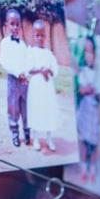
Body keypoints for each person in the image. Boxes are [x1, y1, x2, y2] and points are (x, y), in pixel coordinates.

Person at [26, 20, 61, 154]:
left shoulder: (48, 53)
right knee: (36, 111)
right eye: (37, 35)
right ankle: (36, 138)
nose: (40, 38)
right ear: (33, 35)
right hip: (36, 87)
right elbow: (29, 69)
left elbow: (55, 68)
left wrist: (50, 71)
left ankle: (49, 138)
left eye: (42, 35)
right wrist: (41, 70)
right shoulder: (31, 52)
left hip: (47, 88)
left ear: (45, 36)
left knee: (48, 112)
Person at [0, 8, 31, 149]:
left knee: (26, 108)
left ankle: (27, 131)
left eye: (17, 24)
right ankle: (15, 133)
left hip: (24, 81)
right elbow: (4, 62)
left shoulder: (22, 44)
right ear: (6, 25)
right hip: (13, 80)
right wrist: (17, 73)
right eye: (12, 24)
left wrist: (26, 73)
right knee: (13, 107)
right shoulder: (5, 43)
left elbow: (26, 60)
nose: (15, 27)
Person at [75, 35, 100, 181]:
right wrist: (87, 90)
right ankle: (84, 168)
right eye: (85, 51)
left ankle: (92, 168)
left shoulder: (98, 73)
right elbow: (81, 90)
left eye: (90, 51)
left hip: (94, 111)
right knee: (85, 141)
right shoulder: (83, 71)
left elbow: (99, 94)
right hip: (85, 109)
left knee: (94, 142)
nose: (88, 55)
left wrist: (94, 92)